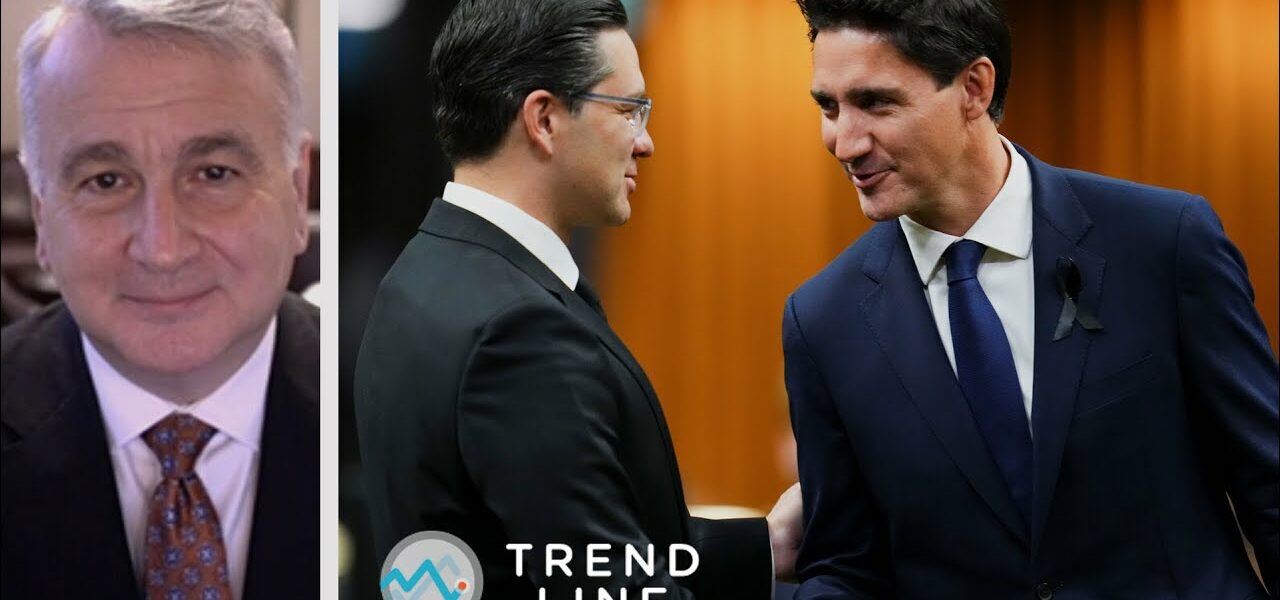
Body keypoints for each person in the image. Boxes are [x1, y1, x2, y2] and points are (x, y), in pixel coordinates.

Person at [782, 0, 1279, 598]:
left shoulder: (1162, 241)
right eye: (829, 107)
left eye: (876, 103)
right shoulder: (822, 321)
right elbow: (846, 568)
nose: (844, 143)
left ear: (974, 87)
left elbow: (1269, 484)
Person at [354, 0, 802, 597]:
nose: (646, 142)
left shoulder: (417, 275)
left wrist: (765, 547)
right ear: (543, 119)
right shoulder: (520, 328)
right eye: (629, 110)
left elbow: (564, 550)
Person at [0, 1, 318, 598]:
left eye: (214, 173)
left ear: (297, 193)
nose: (163, 249)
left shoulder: (395, 408)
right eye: (106, 181)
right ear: (42, 216)